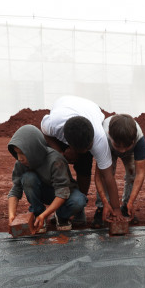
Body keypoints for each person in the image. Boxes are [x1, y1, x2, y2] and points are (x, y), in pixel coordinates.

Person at [40, 95, 125, 227]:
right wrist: (60, 154)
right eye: (84, 149)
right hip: (65, 106)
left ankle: (79, 208)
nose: (89, 149)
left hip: (89, 109)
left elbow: (108, 177)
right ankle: (56, 205)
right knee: (56, 163)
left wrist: (116, 209)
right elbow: (44, 132)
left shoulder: (98, 139)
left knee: (84, 166)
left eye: (89, 146)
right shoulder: (53, 125)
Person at [7, 125, 87, 233]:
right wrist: (11, 215)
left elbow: (62, 192)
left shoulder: (56, 161)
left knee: (79, 201)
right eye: (17, 153)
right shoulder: (21, 163)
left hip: (65, 195)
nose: (20, 157)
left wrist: (46, 214)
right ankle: (38, 214)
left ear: (33, 149)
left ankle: (61, 215)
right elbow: (16, 189)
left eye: (22, 153)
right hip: (45, 192)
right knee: (28, 178)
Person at [101, 114, 145, 223]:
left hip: (124, 145)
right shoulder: (103, 137)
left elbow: (140, 173)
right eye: (118, 146)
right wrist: (105, 202)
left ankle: (126, 207)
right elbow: (101, 176)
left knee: (132, 173)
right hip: (109, 148)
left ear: (133, 140)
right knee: (106, 175)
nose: (122, 151)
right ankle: (102, 208)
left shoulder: (139, 138)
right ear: (109, 135)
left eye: (126, 147)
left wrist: (131, 201)